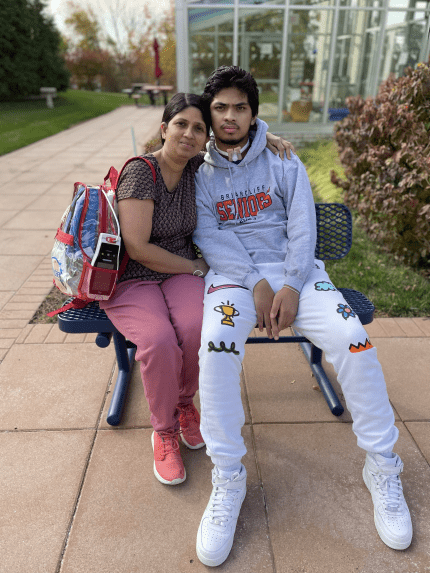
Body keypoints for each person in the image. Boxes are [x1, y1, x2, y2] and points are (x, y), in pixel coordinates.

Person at [193, 66, 413, 567]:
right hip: (234, 278)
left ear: (254, 112)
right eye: (221, 107)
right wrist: (259, 284)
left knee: (354, 341)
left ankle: (382, 464)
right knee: (217, 350)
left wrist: (291, 284)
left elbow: (302, 223)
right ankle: (228, 475)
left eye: (240, 107)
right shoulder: (198, 170)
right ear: (210, 113)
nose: (230, 116)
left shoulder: (282, 158)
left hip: (299, 274)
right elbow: (211, 236)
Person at [100, 92, 295, 487]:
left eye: (197, 127)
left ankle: (185, 404)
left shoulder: (194, 170)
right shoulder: (140, 171)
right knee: (157, 339)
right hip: (133, 276)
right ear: (163, 129)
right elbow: (138, 247)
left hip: (177, 275)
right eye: (180, 125)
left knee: (194, 329)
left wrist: (266, 138)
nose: (189, 134)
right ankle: (164, 430)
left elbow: (237, 143)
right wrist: (195, 267)